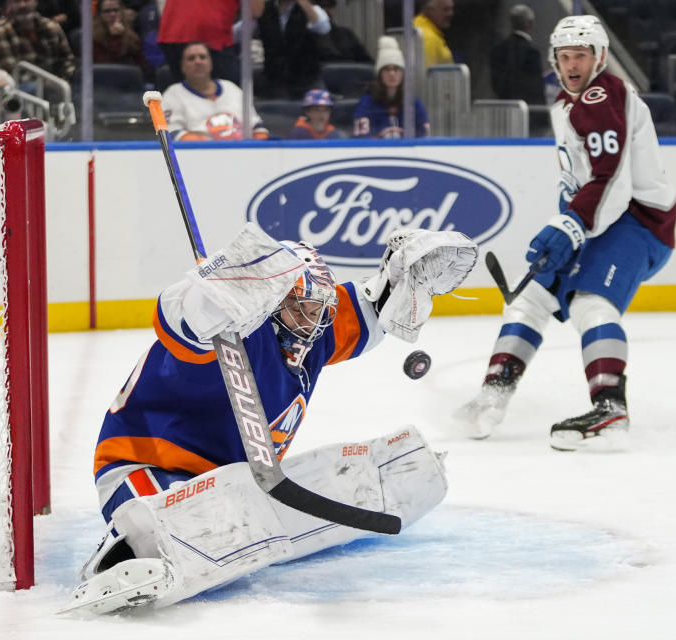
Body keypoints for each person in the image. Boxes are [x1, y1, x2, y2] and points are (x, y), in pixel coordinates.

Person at [58, 222, 478, 614]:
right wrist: (211, 297)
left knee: (231, 512)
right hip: (145, 467)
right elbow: (177, 320)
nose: (312, 322)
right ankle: (119, 555)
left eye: (320, 309)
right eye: (300, 308)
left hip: (233, 480)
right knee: (177, 524)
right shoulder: (229, 332)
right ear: (270, 305)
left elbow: (371, 309)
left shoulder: (314, 332)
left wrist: (399, 278)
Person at [454, 15, 676, 452]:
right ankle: (494, 394)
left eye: (581, 55)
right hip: (599, 222)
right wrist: (568, 225)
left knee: (590, 302)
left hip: (637, 223)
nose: (572, 64)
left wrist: (572, 225)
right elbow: (580, 181)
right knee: (532, 300)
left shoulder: (603, 95)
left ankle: (611, 406)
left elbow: (613, 181)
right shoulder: (564, 103)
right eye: (564, 55)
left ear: (601, 58)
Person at [162, 41, 269, 141]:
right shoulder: (173, 94)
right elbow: (173, 134)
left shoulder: (231, 88)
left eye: (202, 57)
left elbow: (257, 127)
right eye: (191, 58)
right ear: (183, 67)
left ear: (211, 64)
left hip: (243, 152)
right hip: (199, 156)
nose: (198, 61)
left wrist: (259, 149)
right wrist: (214, 149)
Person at [157, 0, 264, 84]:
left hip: (173, 30)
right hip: (210, 35)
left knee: (188, 95)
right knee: (229, 94)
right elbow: (255, 11)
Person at [353, 36, 431, 139]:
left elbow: (424, 137)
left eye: (396, 69)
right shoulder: (367, 102)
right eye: (387, 69)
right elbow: (361, 138)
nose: (392, 74)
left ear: (403, 74)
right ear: (380, 74)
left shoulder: (413, 104)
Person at [255, 0, 331, 99]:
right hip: (276, 78)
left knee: (320, 106)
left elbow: (324, 28)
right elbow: (241, 32)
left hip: (308, 76)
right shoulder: (264, 9)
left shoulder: (310, 8)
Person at [0, 0, 75, 81]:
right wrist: (46, 84)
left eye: (27, 0)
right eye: (17, 1)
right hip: (22, 88)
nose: (22, 5)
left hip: (57, 85)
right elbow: (11, 72)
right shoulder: (0, 32)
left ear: (36, 2)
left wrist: (64, 80)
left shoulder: (52, 27)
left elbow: (67, 60)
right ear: (10, 4)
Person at [489, 4, 544, 105]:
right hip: (528, 113)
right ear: (530, 24)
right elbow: (536, 91)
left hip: (505, 112)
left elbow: (497, 86)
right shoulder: (531, 53)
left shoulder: (498, 51)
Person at [93, 0, 149, 78]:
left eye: (116, 10)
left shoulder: (132, 37)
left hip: (127, 80)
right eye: (107, 11)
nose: (112, 14)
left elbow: (142, 65)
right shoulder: (93, 38)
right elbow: (107, 65)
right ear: (100, 14)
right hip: (102, 81)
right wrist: (115, 38)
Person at [314, 0, 371, 64]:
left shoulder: (347, 34)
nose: (326, 10)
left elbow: (367, 62)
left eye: (330, 6)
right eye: (322, 6)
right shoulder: (306, 38)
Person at [413, 0, 452, 67]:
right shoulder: (428, 38)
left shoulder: (415, 25)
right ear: (431, 10)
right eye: (445, 9)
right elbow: (425, 74)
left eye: (451, 9)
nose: (450, 14)